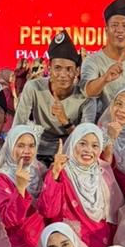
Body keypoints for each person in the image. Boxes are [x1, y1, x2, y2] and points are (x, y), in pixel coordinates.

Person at [38, 123, 122, 247]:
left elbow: (114, 216)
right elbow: (48, 211)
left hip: (102, 245)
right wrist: (54, 174)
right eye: (82, 143)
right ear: (73, 144)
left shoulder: (103, 172)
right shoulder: (62, 172)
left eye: (95, 146)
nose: (88, 150)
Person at [12, 31, 95, 161]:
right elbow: (18, 127)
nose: (63, 74)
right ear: (49, 69)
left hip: (71, 153)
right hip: (36, 152)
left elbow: (86, 142)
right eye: (57, 68)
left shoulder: (85, 96)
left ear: (77, 71)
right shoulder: (34, 87)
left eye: (69, 69)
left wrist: (65, 121)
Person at [0, 124, 46, 247]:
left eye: (31, 145)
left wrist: (54, 175)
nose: (27, 151)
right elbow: (9, 219)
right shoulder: (4, 176)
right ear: (11, 146)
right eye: (20, 145)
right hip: (19, 245)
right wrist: (20, 189)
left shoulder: (39, 170)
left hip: (43, 241)